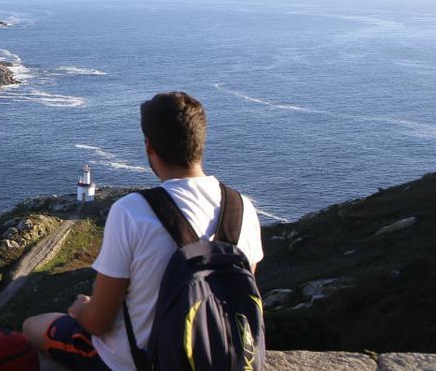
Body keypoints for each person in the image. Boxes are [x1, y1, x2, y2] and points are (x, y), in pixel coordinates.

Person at [22, 92, 265, 370]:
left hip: (134, 363)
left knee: (32, 326)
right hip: (220, 355)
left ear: (149, 146)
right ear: (200, 142)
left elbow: (99, 323)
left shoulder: (132, 211)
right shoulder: (243, 208)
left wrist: (80, 308)